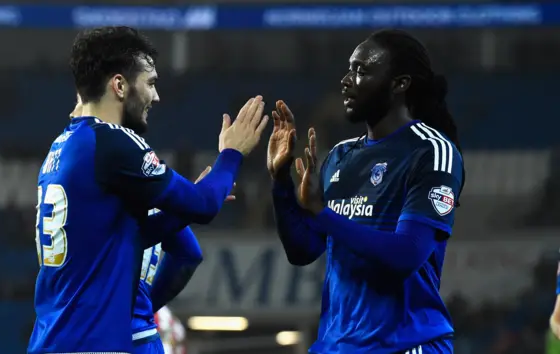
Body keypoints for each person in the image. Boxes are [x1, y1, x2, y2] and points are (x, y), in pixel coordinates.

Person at [28, 26, 268, 354]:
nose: (156, 96)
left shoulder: (61, 148)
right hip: (93, 344)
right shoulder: (113, 142)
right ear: (120, 85)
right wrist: (231, 154)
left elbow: (117, 237)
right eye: (151, 83)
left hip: (51, 340)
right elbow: (204, 206)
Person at [268, 29, 465, 354]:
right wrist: (280, 182)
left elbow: (407, 254)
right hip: (337, 346)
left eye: (361, 70)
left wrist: (323, 214)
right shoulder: (340, 156)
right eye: (349, 68)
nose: (346, 80)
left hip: (405, 345)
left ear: (399, 84)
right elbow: (302, 251)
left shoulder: (432, 153)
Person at [70, 94, 205, 353]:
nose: (73, 114)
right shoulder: (151, 186)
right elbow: (189, 254)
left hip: (95, 330)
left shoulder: (91, 189)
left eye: (78, 104)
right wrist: (146, 306)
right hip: (143, 334)